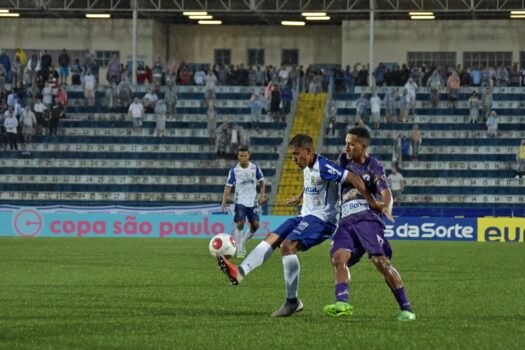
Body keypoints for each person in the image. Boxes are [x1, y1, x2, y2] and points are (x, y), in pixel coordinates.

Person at [216, 134, 387, 317]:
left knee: (287, 247)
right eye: (292, 156)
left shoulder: (324, 166)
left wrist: (371, 201)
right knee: (272, 239)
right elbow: (311, 181)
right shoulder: (307, 165)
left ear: (308, 151)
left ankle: (292, 302)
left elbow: (354, 178)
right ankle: (239, 272)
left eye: (297, 155)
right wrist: (299, 197)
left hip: (323, 220)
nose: (294, 159)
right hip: (305, 215)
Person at [323, 126, 416, 321]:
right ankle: (342, 303)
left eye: (351, 144)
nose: (346, 147)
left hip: (367, 219)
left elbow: (385, 191)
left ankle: (406, 309)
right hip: (345, 221)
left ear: (363, 146)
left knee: (380, 262)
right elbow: (325, 175)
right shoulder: (343, 160)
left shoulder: (374, 166)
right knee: (339, 259)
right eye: (346, 143)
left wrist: (387, 207)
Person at [221, 146, 266, 258]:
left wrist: (262, 195)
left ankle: (243, 241)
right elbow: (228, 187)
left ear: (248, 156)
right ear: (238, 156)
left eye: (245, 155)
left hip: (253, 201)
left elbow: (261, 182)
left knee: (255, 226)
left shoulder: (255, 168)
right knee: (240, 223)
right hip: (240, 201)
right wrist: (224, 201)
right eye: (241, 155)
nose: (243, 158)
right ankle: (240, 249)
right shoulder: (234, 170)